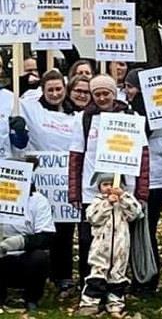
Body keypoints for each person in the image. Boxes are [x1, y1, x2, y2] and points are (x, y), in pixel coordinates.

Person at [68, 75, 149, 282]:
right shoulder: (83, 119)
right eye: (97, 94)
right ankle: (89, 281)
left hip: (123, 190)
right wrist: (74, 192)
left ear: (114, 94)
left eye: (106, 93)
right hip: (92, 191)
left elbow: (143, 156)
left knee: (119, 239)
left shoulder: (131, 117)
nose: (102, 98)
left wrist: (141, 192)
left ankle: (116, 282)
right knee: (89, 239)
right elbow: (76, 156)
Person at [19, 71, 82, 297]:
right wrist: (24, 79)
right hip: (41, 179)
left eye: (59, 89)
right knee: (43, 229)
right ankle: (36, 275)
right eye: (50, 90)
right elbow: (15, 95)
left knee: (65, 230)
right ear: (43, 91)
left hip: (66, 179)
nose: (55, 94)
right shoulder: (31, 107)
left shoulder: (75, 112)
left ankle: (63, 277)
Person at [124, 68, 162, 294]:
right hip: (145, 178)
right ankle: (142, 275)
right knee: (140, 231)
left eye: (130, 87)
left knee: (145, 230)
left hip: (152, 179)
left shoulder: (147, 112)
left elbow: (141, 132)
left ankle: (147, 277)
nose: (127, 91)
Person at [77, 173, 142, 317]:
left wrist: (123, 197)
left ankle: (115, 303)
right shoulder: (97, 202)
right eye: (105, 185)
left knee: (117, 276)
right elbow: (93, 218)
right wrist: (107, 204)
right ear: (99, 187)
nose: (110, 188)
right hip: (100, 248)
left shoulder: (124, 202)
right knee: (97, 275)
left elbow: (135, 213)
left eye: (113, 185)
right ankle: (89, 303)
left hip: (120, 248)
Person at [0, 157, 54, 313]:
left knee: (40, 257)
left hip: (25, 257)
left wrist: (18, 242)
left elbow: (46, 237)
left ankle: (32, 299)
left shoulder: (38, 201)